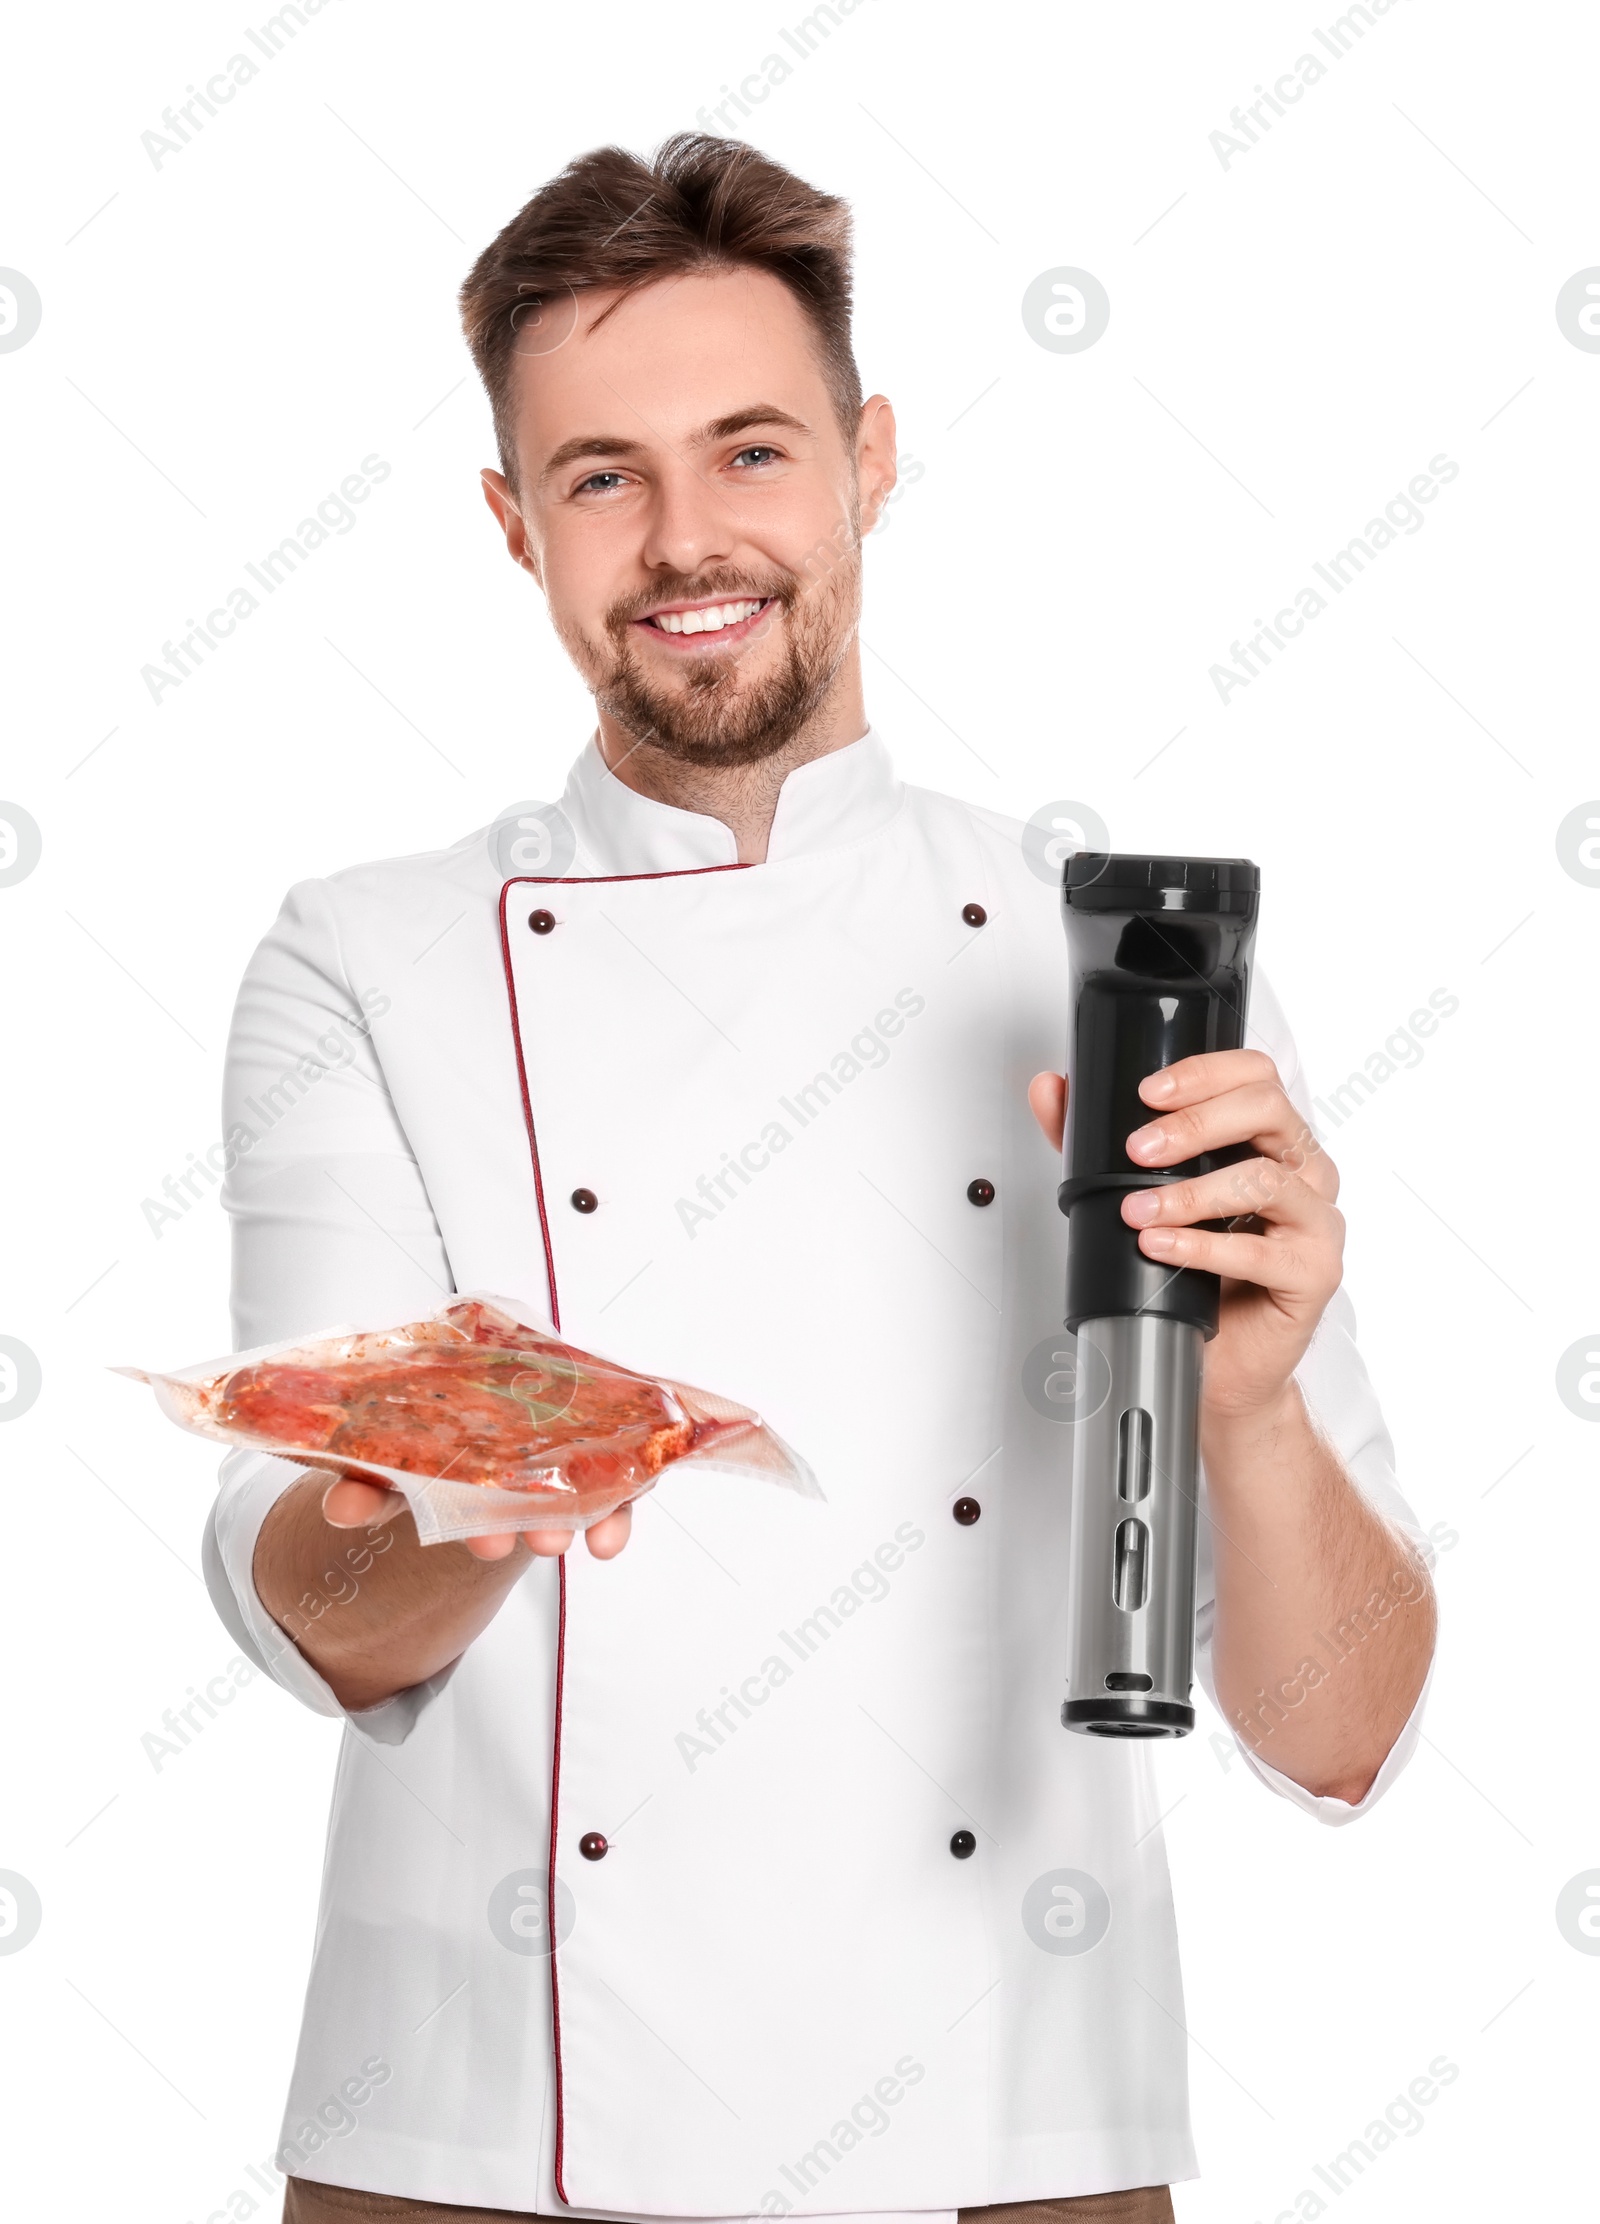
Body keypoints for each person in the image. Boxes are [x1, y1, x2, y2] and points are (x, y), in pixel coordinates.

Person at [204, 133, 1437, 2224]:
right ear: (513, 529)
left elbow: (1336, 1736)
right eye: (599, 474)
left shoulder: (1115, 959)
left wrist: (1243, 1398)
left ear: (866, 458)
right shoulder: (364, 953)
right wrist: (492, 1488)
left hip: (1014, 2142)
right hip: (478, 2139)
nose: (687, 538)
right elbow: (312, 1610)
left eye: (750, 449)